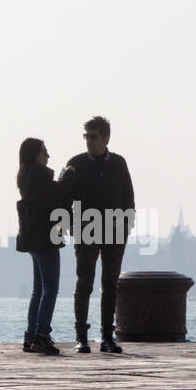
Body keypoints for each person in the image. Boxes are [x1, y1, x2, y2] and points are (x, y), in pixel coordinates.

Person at [60, 116, 135, 354]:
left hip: (115, 230)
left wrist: (127, 225)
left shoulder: (119, 163)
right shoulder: (75, 164)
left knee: (110, 285)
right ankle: (81, 336)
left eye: (94, 137)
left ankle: (107, 337)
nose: (89, 142)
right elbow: (64, 197)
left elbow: (128, 197)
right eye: (87, 137)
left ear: (106, 138)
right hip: (85, 230)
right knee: (85, 283)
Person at [15, 138, 68, 355]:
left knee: (38, 290)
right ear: (35, 154)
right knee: (51, 289)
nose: (48, 156)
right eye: (44, 152)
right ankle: (42, 335)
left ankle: (30, 336)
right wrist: (67, 176)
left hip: (32, 239)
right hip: (45, 239)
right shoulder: (38, 175)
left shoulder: (25, 176)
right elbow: (57, 195)